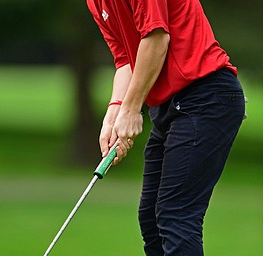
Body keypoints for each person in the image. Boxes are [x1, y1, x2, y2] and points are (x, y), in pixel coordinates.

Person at [87, 0, 245, 255]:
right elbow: (126, 60)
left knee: (176, 215)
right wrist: (115, 111)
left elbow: (157, 38)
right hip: (170, 105)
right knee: (151, 219)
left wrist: (131, 109)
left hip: (206, 94)